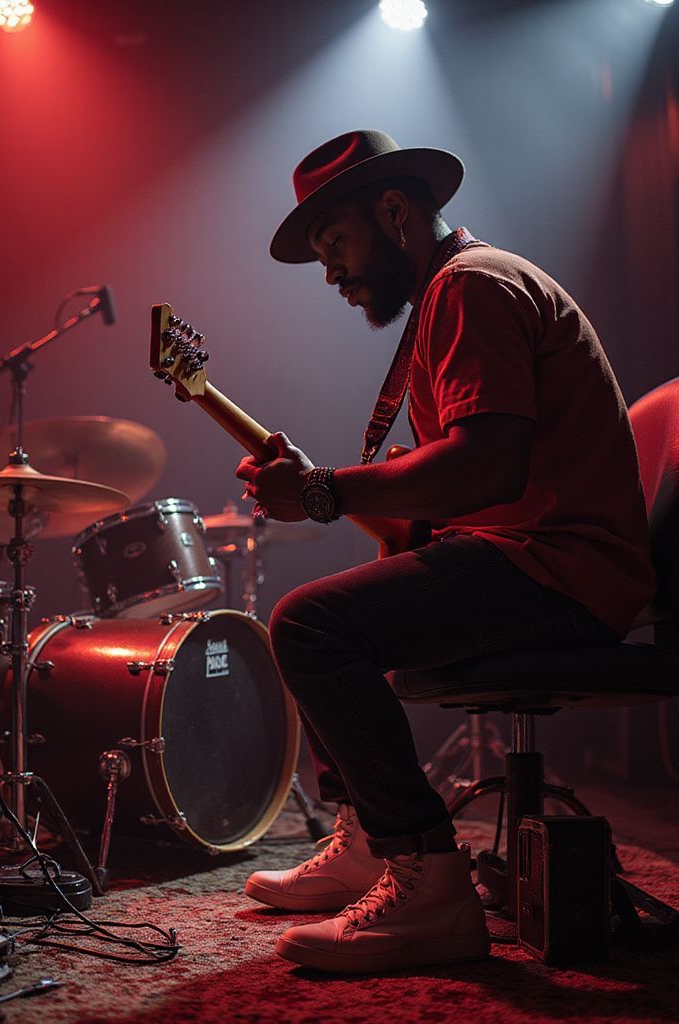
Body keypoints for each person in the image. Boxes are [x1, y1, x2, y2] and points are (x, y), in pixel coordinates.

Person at [235, 130, 655, 974]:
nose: (331, 274)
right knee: (329, 613)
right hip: (541, 556)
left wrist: (323, 492)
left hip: (559, 568)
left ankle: (428, 885)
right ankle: (366, 843)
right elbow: (449, 501)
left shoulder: (471, 286)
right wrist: (336, 493)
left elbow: (485, 464)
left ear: (394, 214)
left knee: (311, 626)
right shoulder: (453, 295)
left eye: (336, 245)